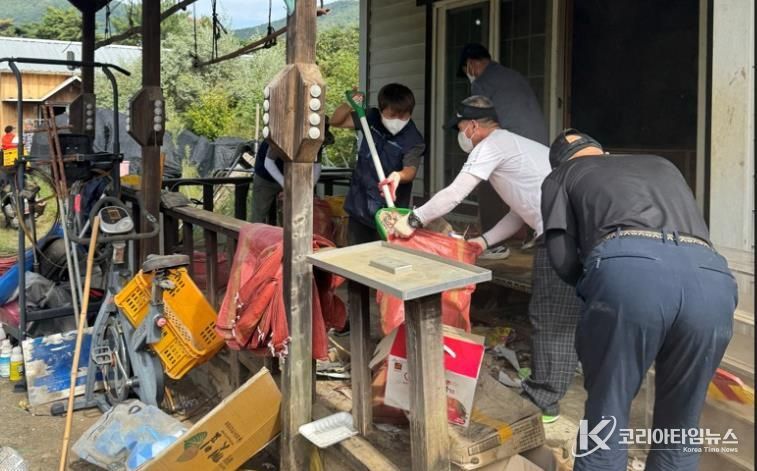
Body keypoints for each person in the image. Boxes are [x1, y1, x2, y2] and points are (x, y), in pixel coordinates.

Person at [542, 129, 736, 470]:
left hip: (630, 275)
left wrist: (598, 288)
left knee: (607, 416)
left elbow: (561, 258)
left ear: (558, 163)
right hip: (712, 280)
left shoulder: (562, 175)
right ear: (603, 152)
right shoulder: (662, 165)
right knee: (680, 427)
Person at [394, 96, 582, 422]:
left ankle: (544, 401)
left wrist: (413, 219)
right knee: (563, 313)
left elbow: (455, 194)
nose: (461, 135)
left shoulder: (491, 145)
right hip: (573, 230)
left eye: (460, 129)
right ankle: (554, 377)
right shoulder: (513, 146)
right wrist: (483, 241)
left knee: (550, 317)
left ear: (472, 126)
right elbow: (520, 210)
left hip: (564, 235)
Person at [459, 43, 549, 257]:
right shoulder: (514, 75)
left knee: (487, 181)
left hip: (513, 139)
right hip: (538, 143)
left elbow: (481, 121)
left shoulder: (481, 83)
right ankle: (533, 235)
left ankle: (493, 246)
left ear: (471, 65)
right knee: (531, 191)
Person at [330, 83, 424, 244]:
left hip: (389, 213)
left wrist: (398, 175)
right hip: (360, 205)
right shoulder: (370, 118)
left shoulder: (413, 139)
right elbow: (336, 121)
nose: (398, 120)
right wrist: (349, 104)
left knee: (385, 255)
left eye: (403, 116)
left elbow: (410, 170)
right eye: (392, 115)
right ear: (381, 110)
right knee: (356, 254)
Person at [250, 118, 333, 224]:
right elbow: (268, 163)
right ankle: (253, 233)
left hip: (292, 177)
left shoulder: (316, 139)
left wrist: (309, 187)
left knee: (296, 214)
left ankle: (287, 233)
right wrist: (286, 185)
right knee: (259, 214)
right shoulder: (282, 133)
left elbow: (316, 166)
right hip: (266, 177)